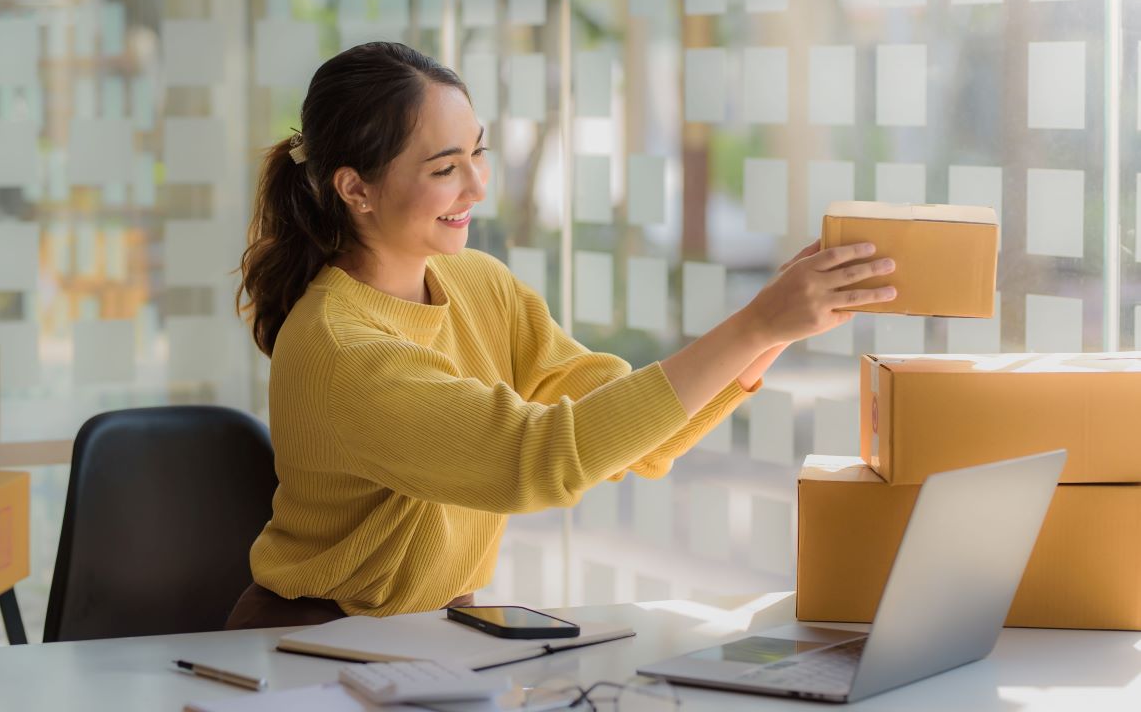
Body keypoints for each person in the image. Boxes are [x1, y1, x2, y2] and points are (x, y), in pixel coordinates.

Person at [226, 41, 895, 630]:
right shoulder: (343, 349)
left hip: (425, 636)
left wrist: (771, 332)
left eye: (478, 152)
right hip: (313, 649)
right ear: (356, 189)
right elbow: (539, 460)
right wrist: (755, 322)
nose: (478, 185)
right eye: (444, 168)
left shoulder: (480, 285)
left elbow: (634, 435)